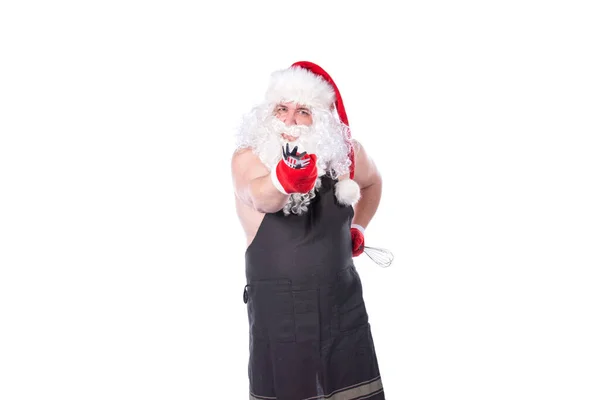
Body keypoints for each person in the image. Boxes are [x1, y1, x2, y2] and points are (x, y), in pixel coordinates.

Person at [231, 61, 385, 400]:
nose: (288, 120)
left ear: (323, 120)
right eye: (281, 108)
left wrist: (358, 225)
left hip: (343, 312)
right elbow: (260, 196)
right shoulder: (248, 159)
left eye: (303, 111)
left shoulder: (345, 158)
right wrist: (283, 179)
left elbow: (373, 183)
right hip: (282, 324)